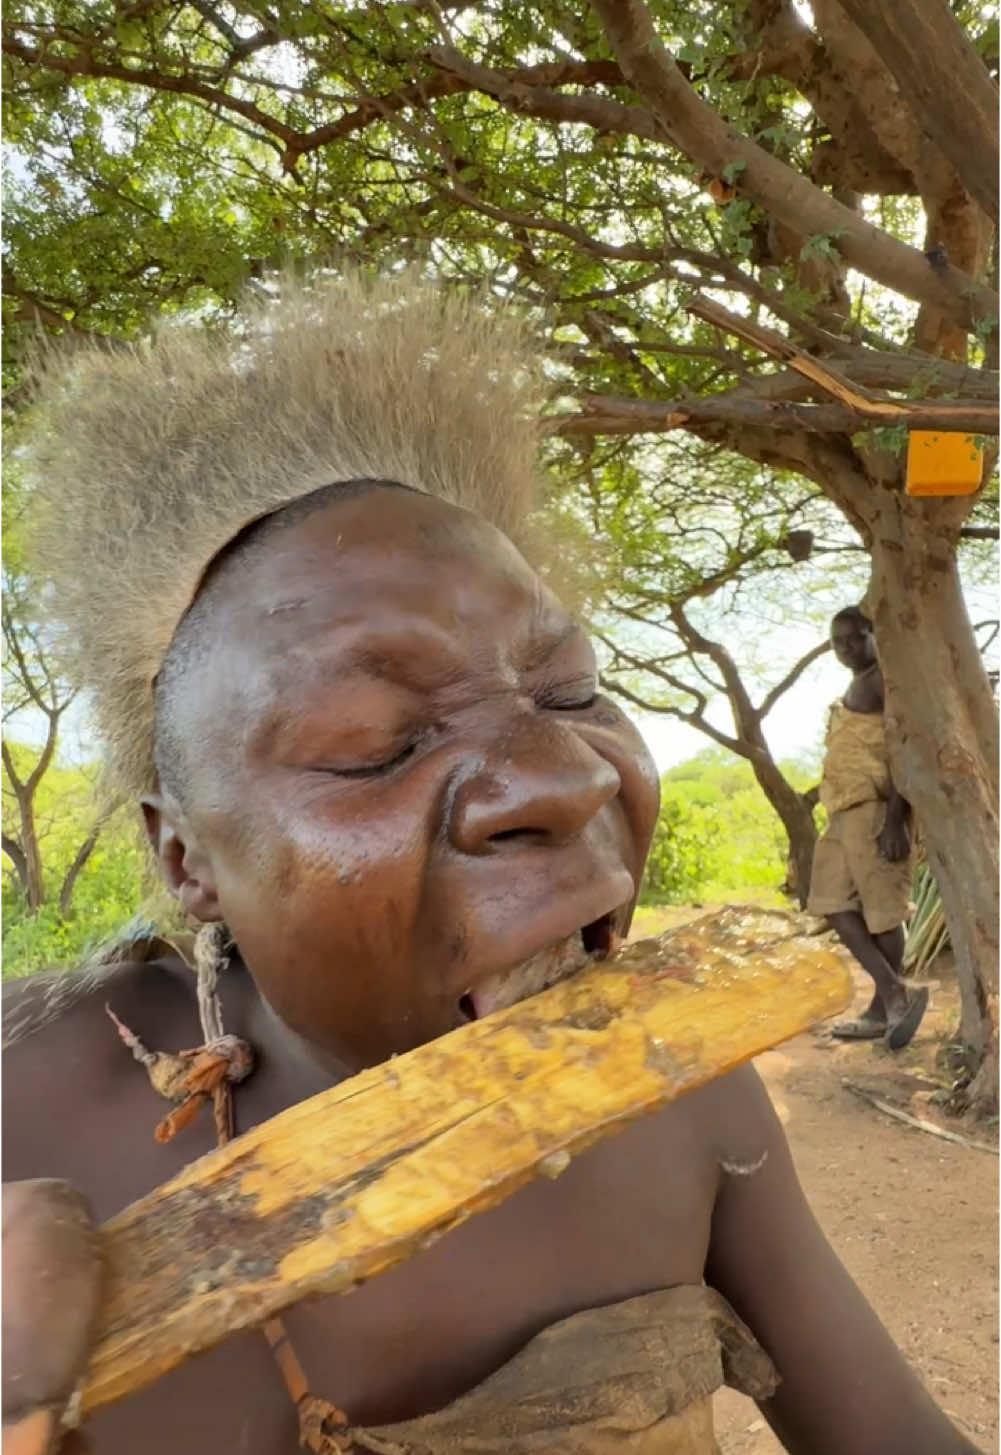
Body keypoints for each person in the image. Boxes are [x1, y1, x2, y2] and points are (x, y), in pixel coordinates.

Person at [2, 277, 976, 1455]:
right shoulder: (24, 1108)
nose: (563, 774)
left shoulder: (690, 1103)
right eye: (376, 745)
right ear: (185, 856)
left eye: (570, 692)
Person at [807, 606, 929, 1048]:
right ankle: (894, 993)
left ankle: (883, 1009)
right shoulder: (857, 683)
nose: (846, 649)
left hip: (877, 813)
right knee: (832, 902)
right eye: (838, 642)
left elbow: (902, 750)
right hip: (843, 814)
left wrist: (896, 820)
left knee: (882, 915)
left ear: (873, 633)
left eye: (855, 638)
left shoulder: (883, 680)